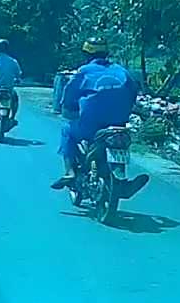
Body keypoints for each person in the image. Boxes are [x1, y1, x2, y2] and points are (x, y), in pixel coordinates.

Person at [51, 37, 150, 191]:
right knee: (120, 144)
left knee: (67, 130)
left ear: (86, 54)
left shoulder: (84, 72)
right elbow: (133, 93)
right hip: (119, 125)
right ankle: (122, 181)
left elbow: (69, 94)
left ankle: (70, 172)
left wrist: (67, 106)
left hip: (90, 127)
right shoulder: (122, 71)